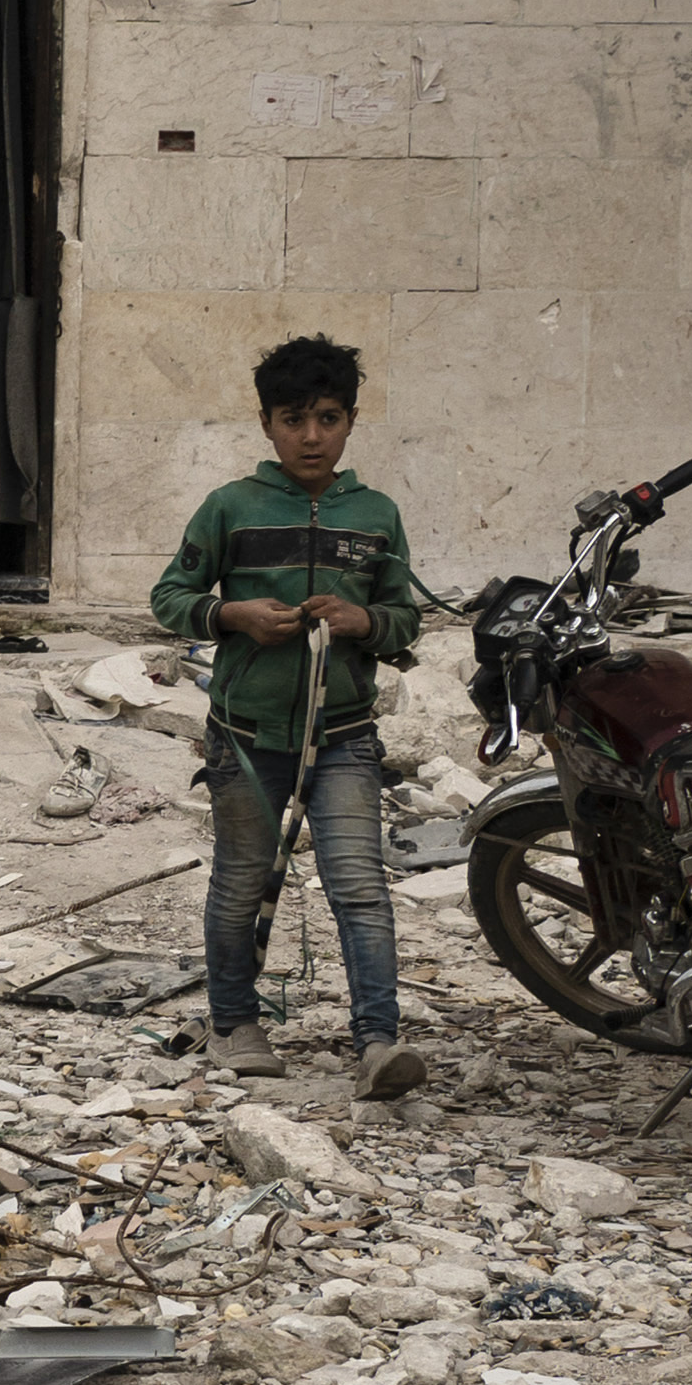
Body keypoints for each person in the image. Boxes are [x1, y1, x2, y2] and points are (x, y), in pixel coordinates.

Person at [148, 333, 430, 1098]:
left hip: (343, 738)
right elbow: (169, 598)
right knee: (241, 879)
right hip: (244, 737)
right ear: (267, 423)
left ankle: (378, 1043)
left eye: (329, 417)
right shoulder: (230, 508)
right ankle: (236, 1024)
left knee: (360, 887)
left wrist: (363, 622)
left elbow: (406, 621)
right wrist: (230, 613)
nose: (312, 436)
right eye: (294, 418)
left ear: (352, 421)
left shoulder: (375, 516)